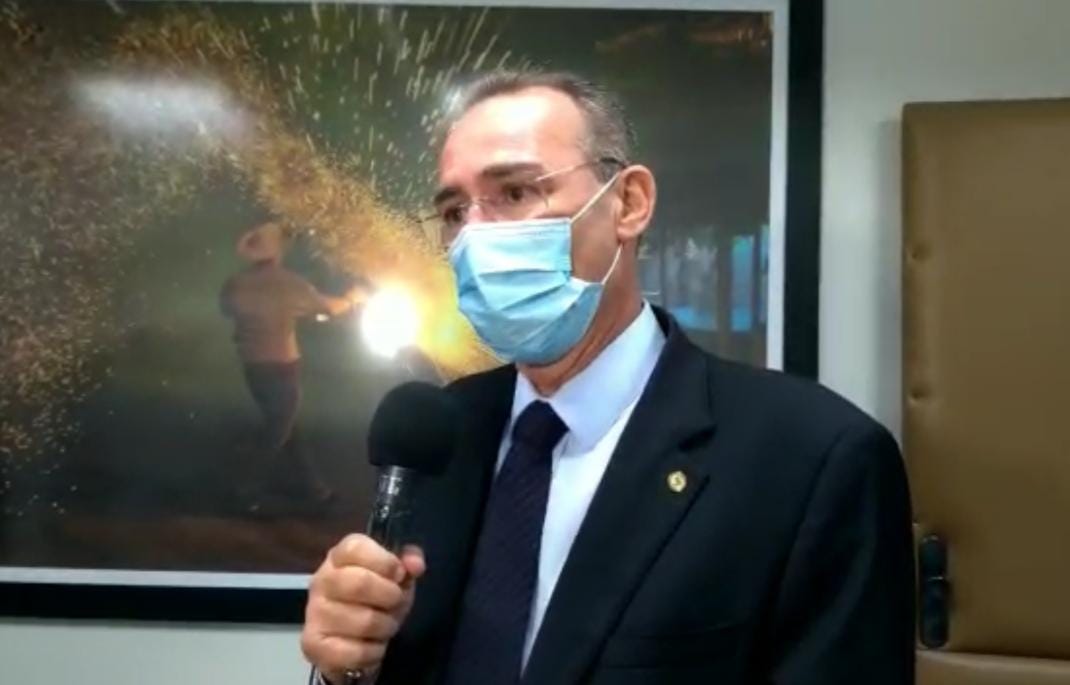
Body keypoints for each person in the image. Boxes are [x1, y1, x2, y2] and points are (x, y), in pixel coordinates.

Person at [301, 71, 915, 684]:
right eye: (455, 211)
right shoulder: (444, 436)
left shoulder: (813, 459)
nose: (476, 235)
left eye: (515, 192)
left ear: (629, 203)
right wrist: (350, 666)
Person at [221, 221, 363, 509]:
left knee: (290, 429)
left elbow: (227, 309)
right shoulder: (288, 283)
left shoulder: (235, 284)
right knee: (278, 431)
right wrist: (351, 299)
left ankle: (316, 490)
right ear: (278, 250)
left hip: (253, 368)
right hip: (281, 369)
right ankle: (244, 490)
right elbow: (326, 307)